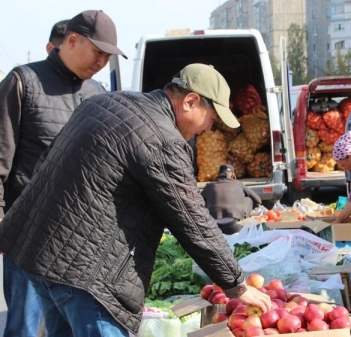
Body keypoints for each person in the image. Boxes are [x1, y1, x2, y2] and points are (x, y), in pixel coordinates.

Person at [0, 63, 272, 336]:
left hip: (37, 254)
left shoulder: (102, 102)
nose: (207, 129)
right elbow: (193, 220)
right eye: (211, 119)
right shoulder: (163, 140)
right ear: (190, 101)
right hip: (85, 276)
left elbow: (44, 163)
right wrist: (236, 285)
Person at [0, 10, 126, 337]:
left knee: (68, 329)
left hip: (79, 243)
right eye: (97, 51)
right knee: (24, 328)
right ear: (71, 41)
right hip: (26, 235)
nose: (101, 61)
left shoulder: (98, 95)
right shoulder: (22, 82)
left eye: (107, 55)